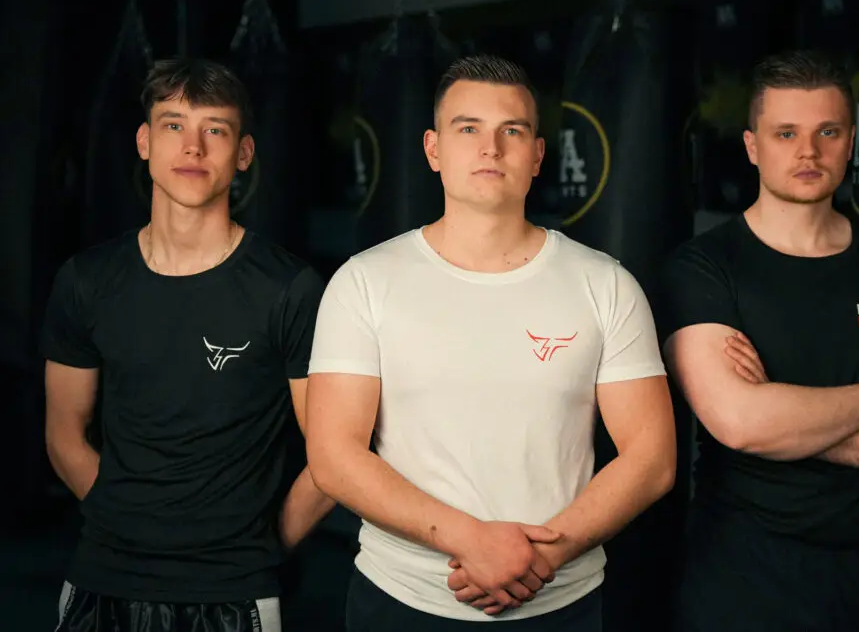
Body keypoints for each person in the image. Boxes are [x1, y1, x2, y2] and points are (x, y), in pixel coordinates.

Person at [304, 53, 677, 631]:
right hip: (405, 598)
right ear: (433, 149)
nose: (491, 148)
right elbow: (334, 455)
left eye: (513, 131)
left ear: (538, 155)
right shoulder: (364, 282)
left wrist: (543, 557)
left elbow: (651, 459)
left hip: (561, 600)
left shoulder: (605, 284)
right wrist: (470, 540)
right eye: (468, 129)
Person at [661, 49, 859, 632]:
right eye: (786, 133)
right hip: (745, 583)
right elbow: (742, 425)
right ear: (752, 146)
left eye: (827, 131)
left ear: (851, 142)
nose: (808, 151)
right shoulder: (704, 268)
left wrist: (785, 422)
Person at [42, 58, 336, 632]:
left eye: (215, 130)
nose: (192, 147)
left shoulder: (290, 289)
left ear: (244, 153)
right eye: (173, 125)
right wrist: (126, 525)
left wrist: (263, 545)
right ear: (144, 142)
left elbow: (332, 459)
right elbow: (63, 434)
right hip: (101, 581)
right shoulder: (86, 280)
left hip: (232, 594)